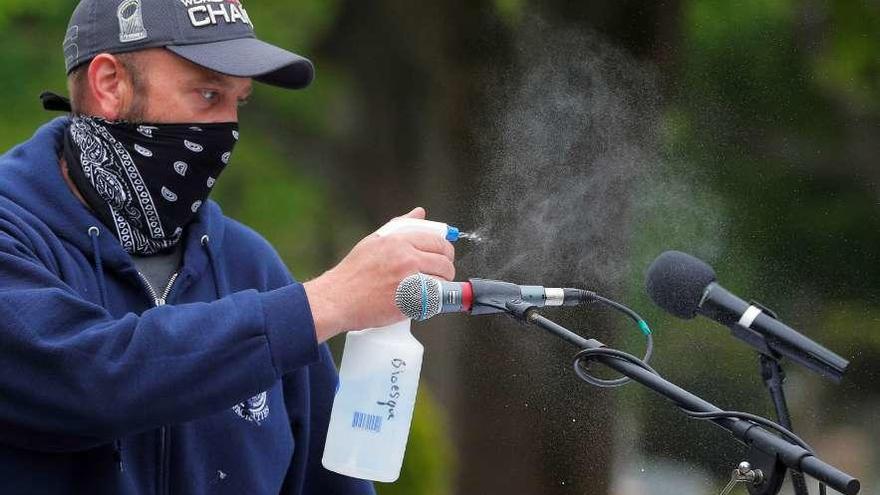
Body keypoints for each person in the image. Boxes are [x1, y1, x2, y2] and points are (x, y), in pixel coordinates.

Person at [0, 0, 456, 493]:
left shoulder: (250, 265)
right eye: (208, 93)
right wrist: (329, 301)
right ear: (110, 84)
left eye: (238, 100)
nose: (226, 129)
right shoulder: (16, 235)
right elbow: (92, 381)